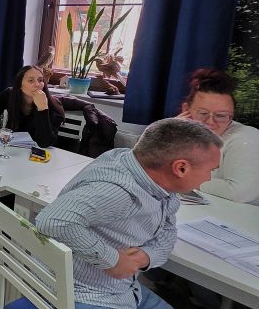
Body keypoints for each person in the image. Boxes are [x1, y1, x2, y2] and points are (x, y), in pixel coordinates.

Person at [36, 118, 223, 309]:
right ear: (181, 168)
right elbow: (53, 221)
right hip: (86, 294)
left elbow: (168, 231)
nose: (209, 178)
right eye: (210, 170)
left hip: (124, 290)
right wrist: (112, 260)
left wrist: (146, 256)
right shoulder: (119, 191)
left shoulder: (154, 179)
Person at [177, 68, 259, 206]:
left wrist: (182, 176)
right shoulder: (183, 131)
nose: (211, 122)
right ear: (186, 110)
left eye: (221, 115)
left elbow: (238, 192)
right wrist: (170, 131)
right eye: (203, 113)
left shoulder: (246, 138)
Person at [0, 65, 65, 148]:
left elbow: (44, 143)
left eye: (40, 80)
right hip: (11, 148)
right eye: (31, 80)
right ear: (19, 84)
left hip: (39, 152)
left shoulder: (52, 105)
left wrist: (42, 108)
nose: (37, 84)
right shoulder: (9, 94)